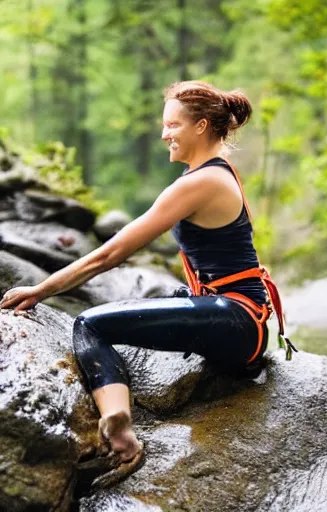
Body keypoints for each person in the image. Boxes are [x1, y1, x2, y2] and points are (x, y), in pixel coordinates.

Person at [0, 80, 295, 487]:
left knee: (90, 325)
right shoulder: (219, 173)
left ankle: (120, 433)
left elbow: (110, 254)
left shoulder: (199, 183)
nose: (164, 134)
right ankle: (120, 422)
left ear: (201, 125)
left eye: (172, 125)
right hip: (242, 322)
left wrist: (42, 289)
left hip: (237, 320)